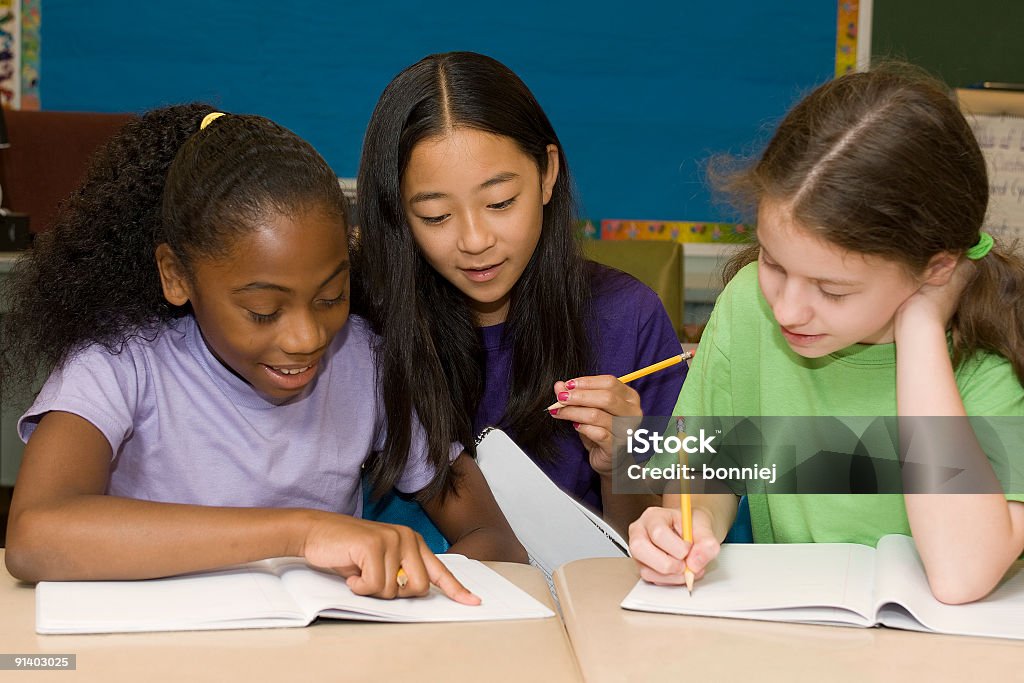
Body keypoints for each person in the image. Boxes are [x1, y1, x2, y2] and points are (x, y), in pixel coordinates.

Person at [2, 104, 524, 599]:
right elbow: (34, 535)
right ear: (176, 276)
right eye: (263, 312)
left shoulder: (366, 363)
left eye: (330, 297)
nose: (307, 337)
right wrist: (300, 533)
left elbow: (494, 540)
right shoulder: (120, 362)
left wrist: (413, 588)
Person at [629, 65, 1024, 605]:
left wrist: (921, 331)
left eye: (833, 291)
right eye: (772, 261)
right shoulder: (750, 306)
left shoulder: (997, 352)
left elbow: (961, 575)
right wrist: (686, 528)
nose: (788, 310)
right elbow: (708, 471)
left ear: (936, 268)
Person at [354, 52, 685, 538]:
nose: (474, 240)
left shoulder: (627, 317)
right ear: (397, 213)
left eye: (500, 202)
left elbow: (659, 543)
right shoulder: (356, 329)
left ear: (547, 174)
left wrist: (620, 465)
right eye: (435, 216)